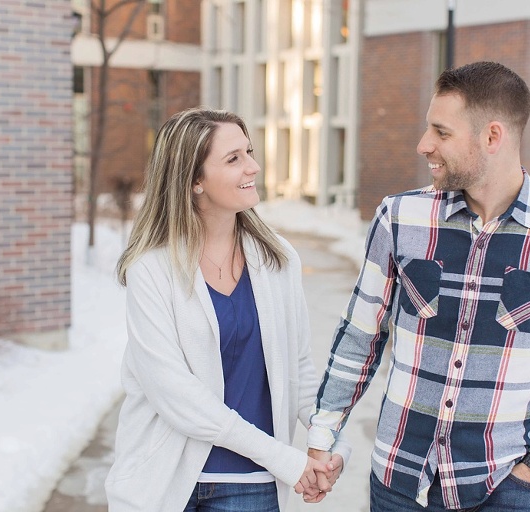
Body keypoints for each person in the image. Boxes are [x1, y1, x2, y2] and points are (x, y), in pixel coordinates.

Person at [306, 61, 530, 511]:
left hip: (508, 489)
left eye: (441, 132)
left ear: (493, 137)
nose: (423, 145)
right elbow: (360, 336)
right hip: (399, 482)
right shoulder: (399, 218)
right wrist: (322, 435)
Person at [105, 107, 349, 511]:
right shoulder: (151, 270)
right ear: (194, 179)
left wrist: (328, 442)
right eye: (233, 158)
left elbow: (299, 367)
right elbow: (175, 395)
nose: (252, 166)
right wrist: (285, 458)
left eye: (248, 151)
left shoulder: (278, 259)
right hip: (163, 482)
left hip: (250, 487)